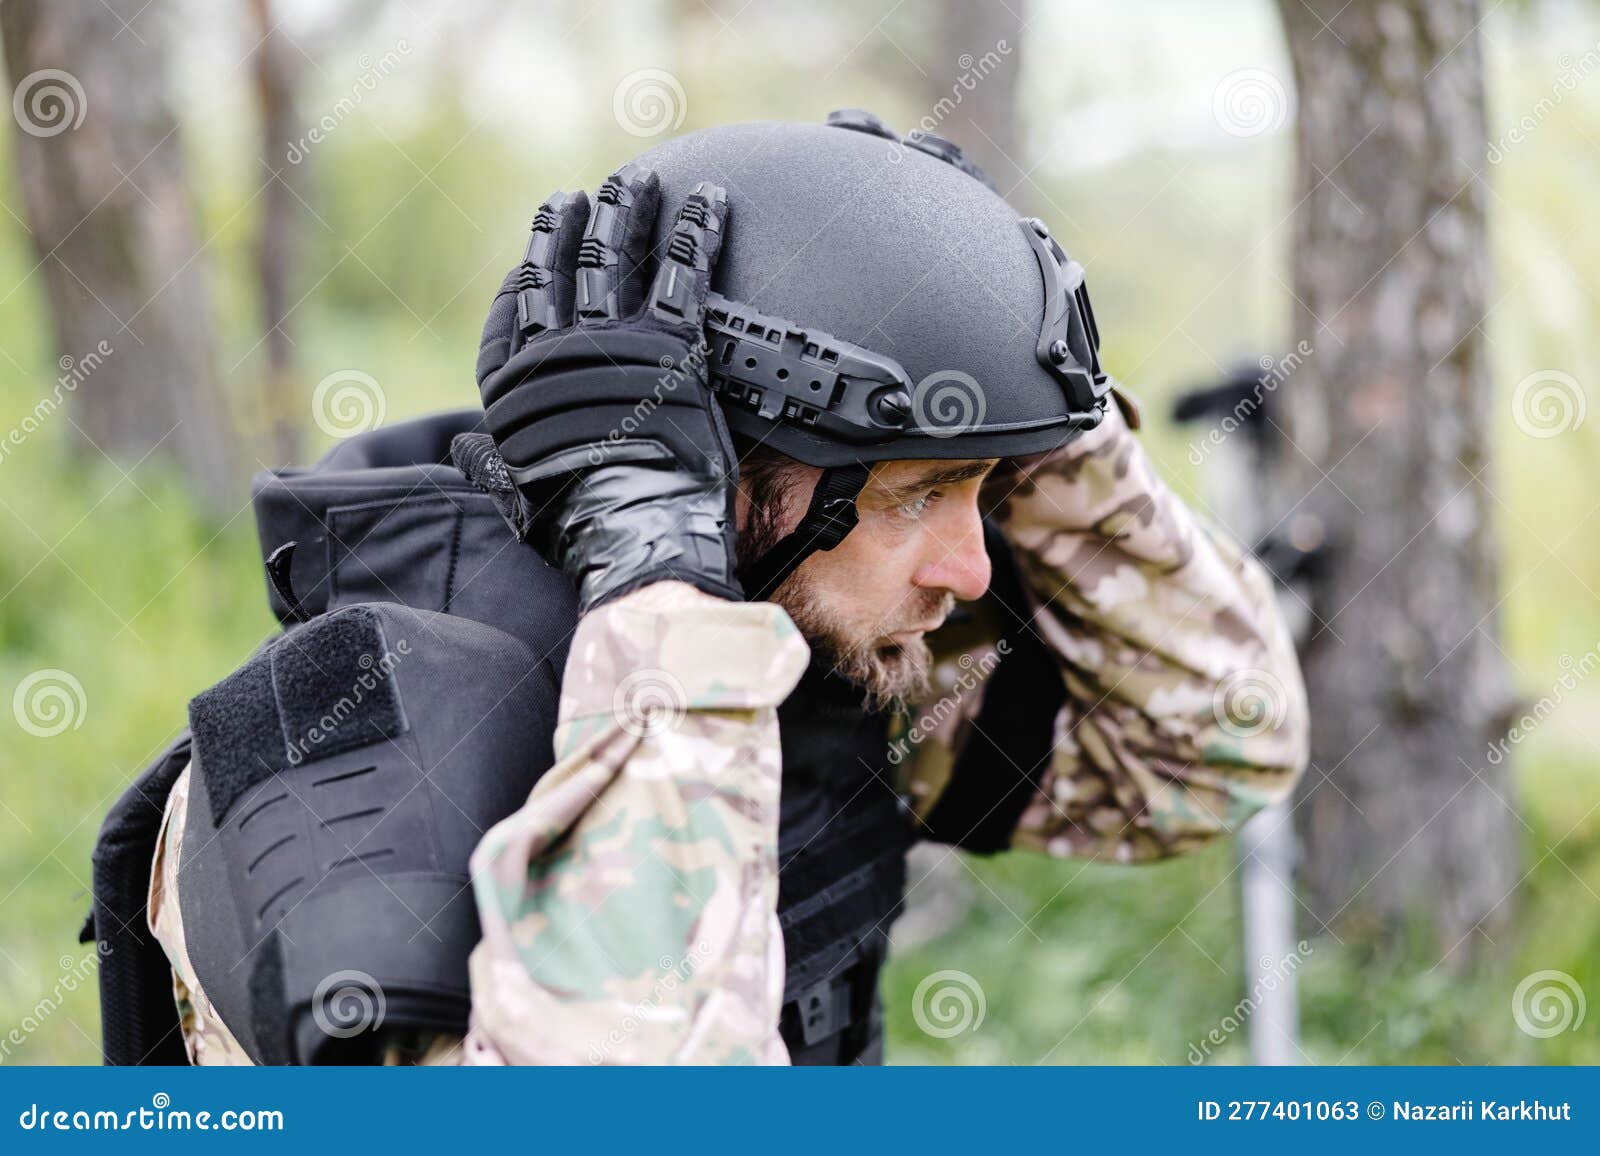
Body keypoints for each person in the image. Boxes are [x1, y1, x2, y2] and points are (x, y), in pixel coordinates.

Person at [105, 113, 1307, 1066]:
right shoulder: (344, 735)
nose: (971, 564)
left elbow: (1212, 748)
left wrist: (1026, 391)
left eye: (986, 491)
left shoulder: (811, 634)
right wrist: (658, 588)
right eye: (916, 495)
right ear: (723, 473)